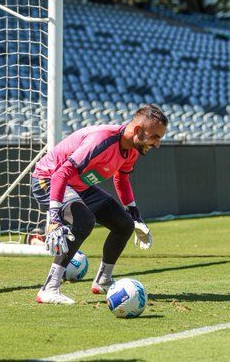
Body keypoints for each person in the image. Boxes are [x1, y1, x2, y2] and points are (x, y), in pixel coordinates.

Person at [31, 104, 167, 304]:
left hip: (78, 186)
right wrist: (54, 217)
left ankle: (102, 281)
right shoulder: (101, 140)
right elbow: (61, 173)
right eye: (155, 137)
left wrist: (135, 214)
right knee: (84, 220)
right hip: (48, 180)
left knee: (124, 224)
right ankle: (49, 288)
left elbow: (121, 179)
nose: (157, 144)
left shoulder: (132, 151)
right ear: (138, 130)